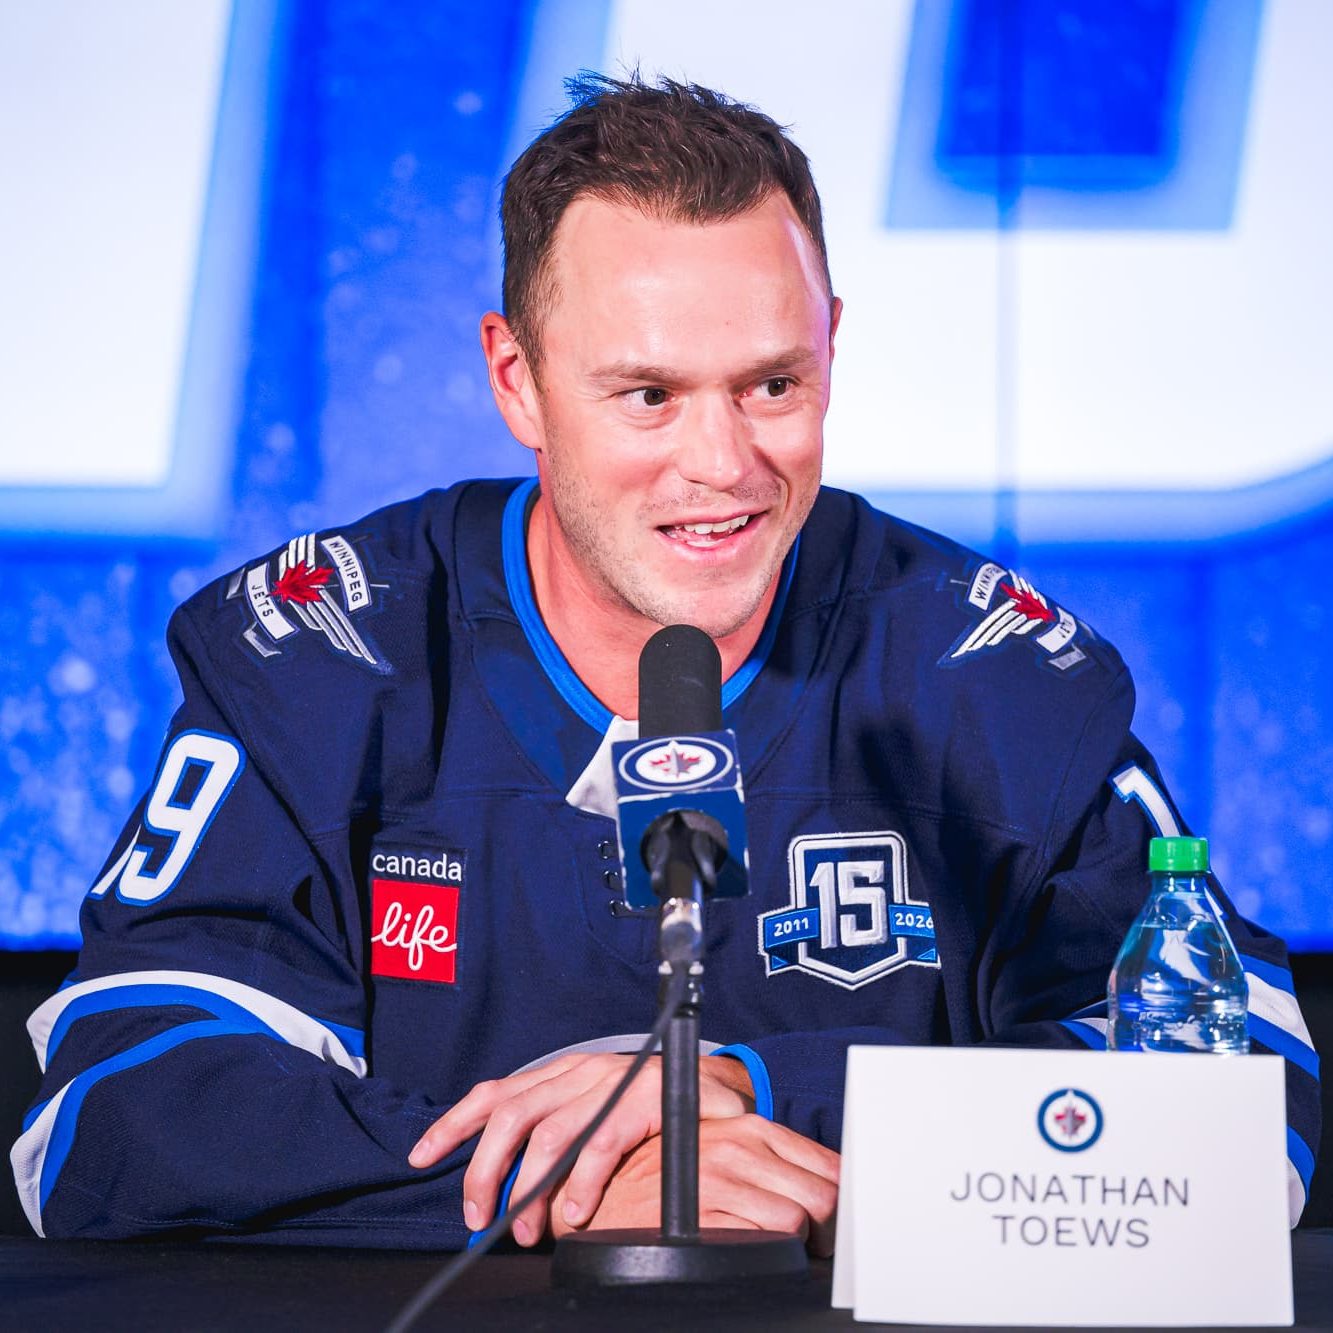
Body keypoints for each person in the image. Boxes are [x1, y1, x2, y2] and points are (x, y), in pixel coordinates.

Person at [12, 75, 1319, 1249]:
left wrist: (753, 1094)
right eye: (648, 396)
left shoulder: (983, 669)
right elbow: (113, 1111)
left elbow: (1240, 1100)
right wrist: (572, 1181)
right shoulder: (328, 661)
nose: (722, 464)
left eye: (772, 385)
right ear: (517, 380)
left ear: (832, 345)